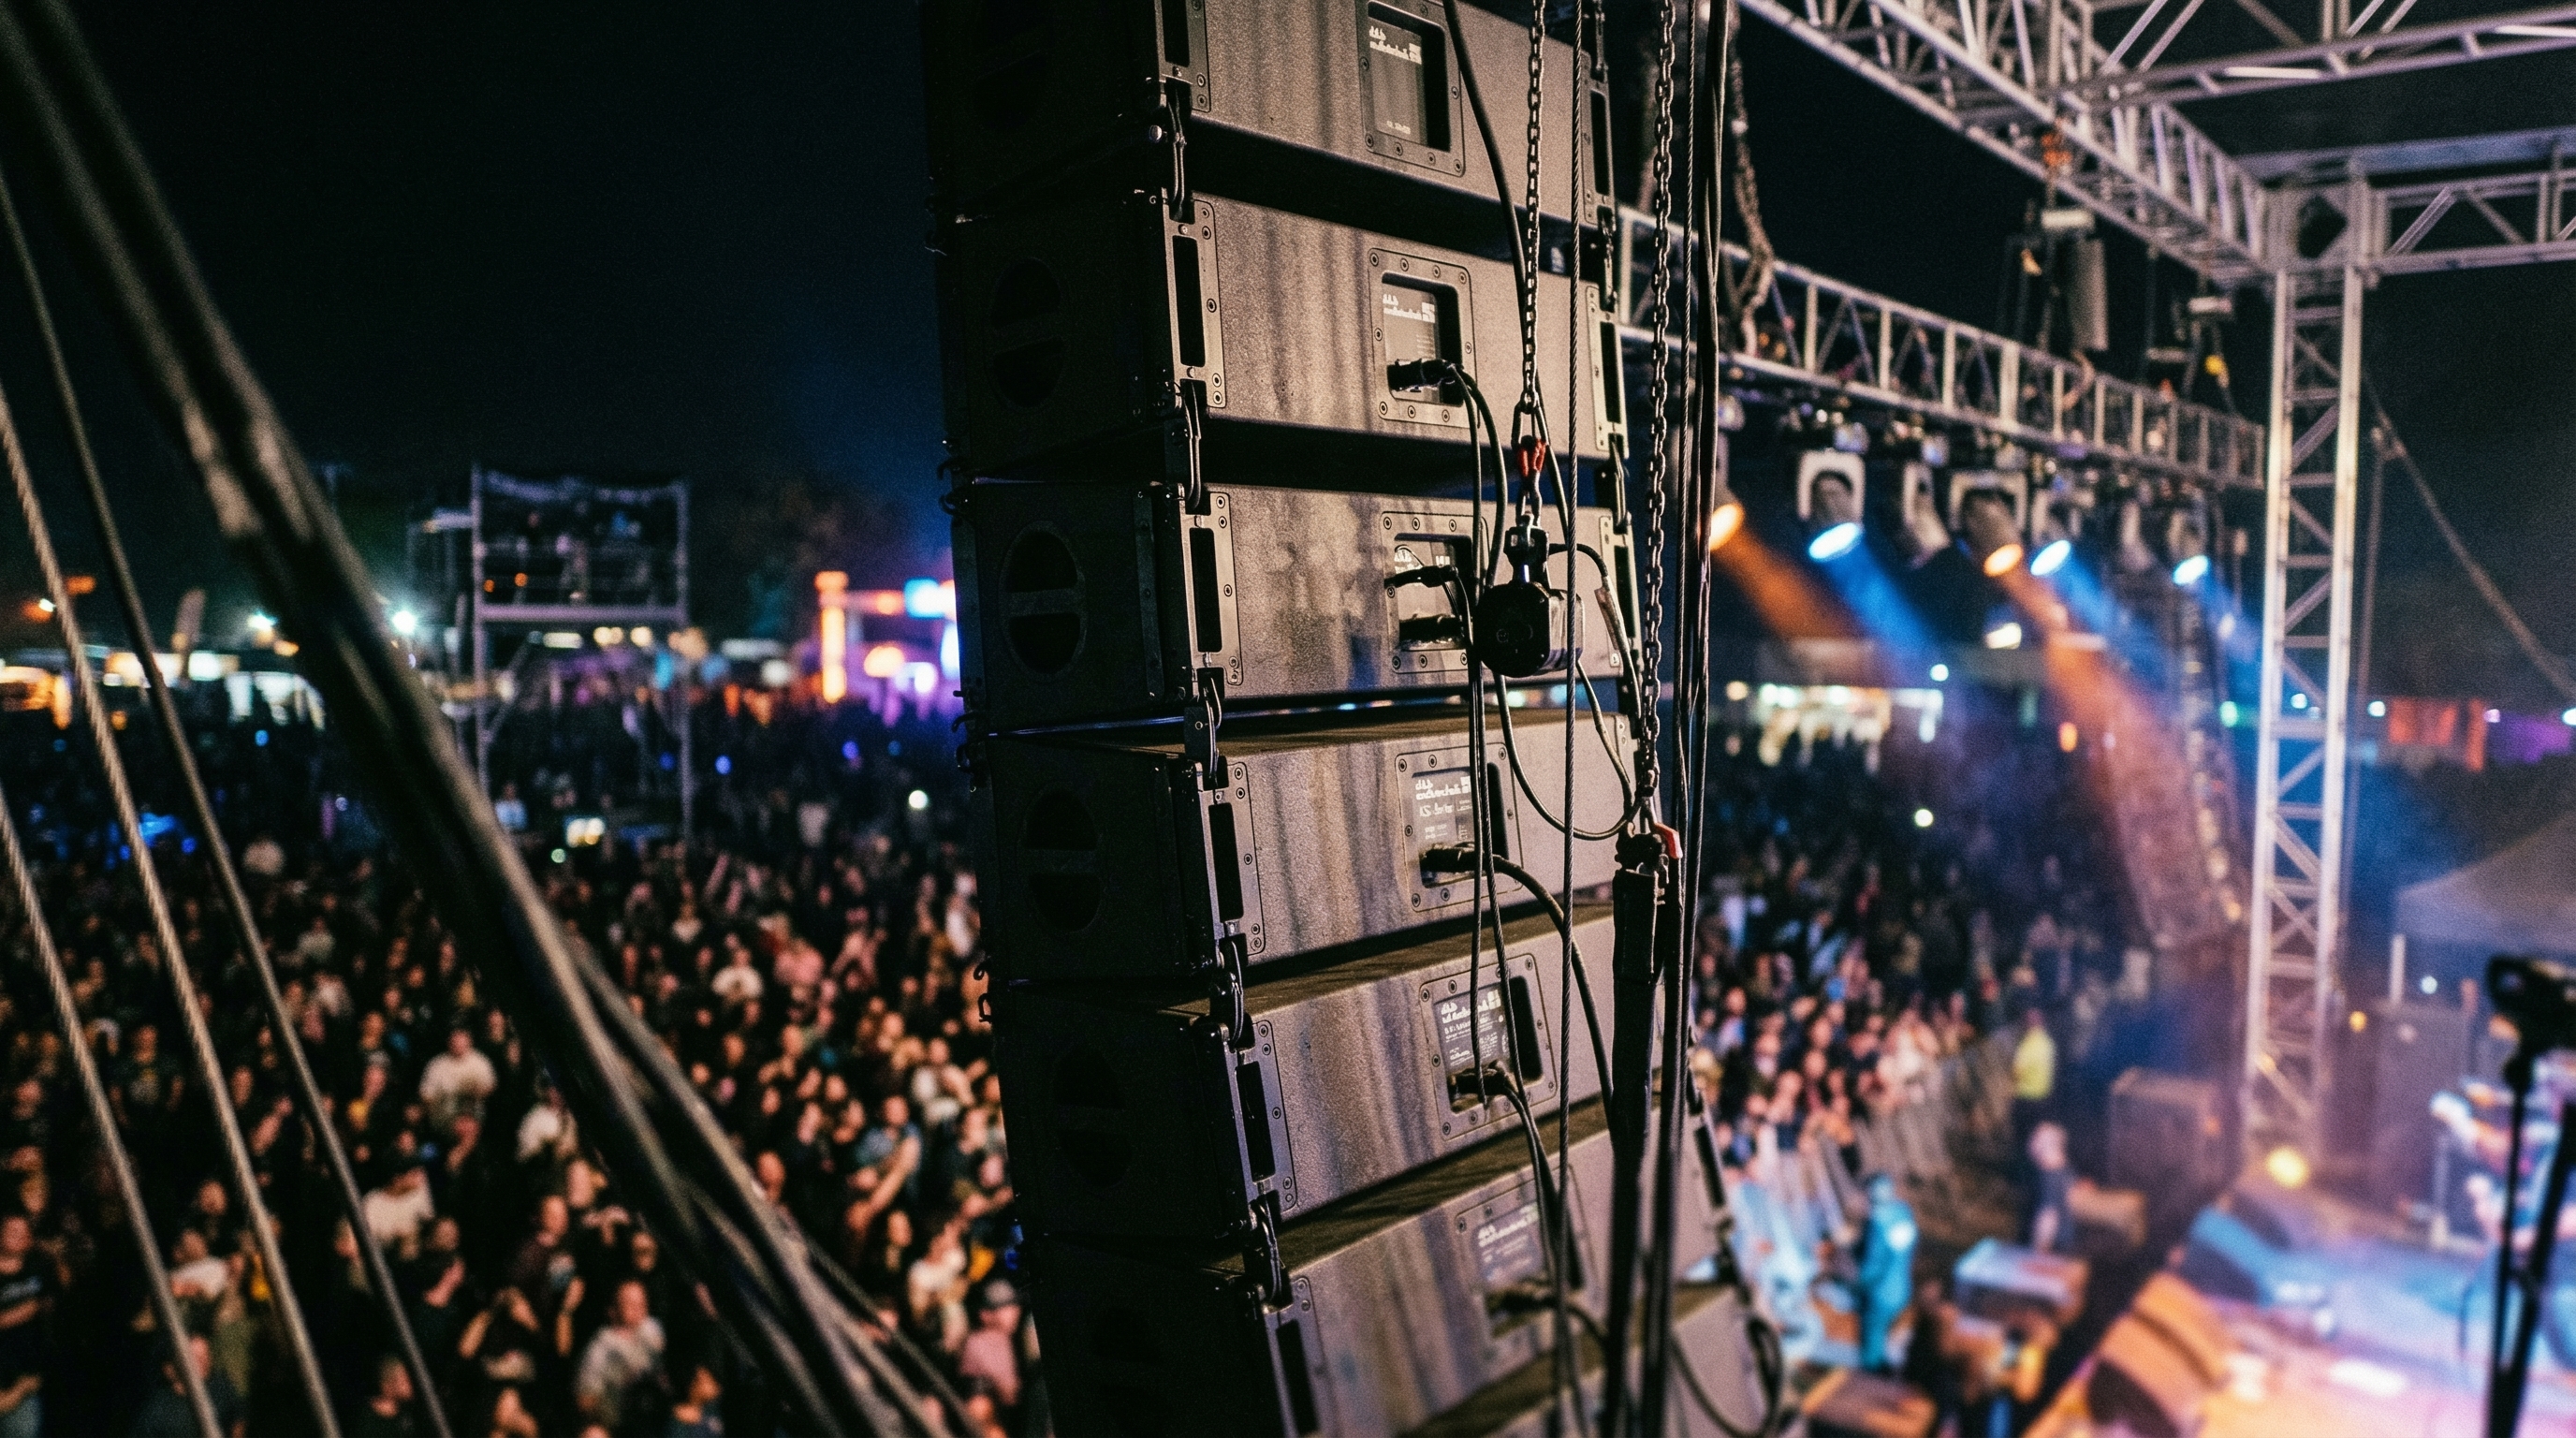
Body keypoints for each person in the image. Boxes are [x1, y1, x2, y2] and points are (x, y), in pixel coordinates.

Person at [576, 1279, 666, 1434]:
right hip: (619, 1423)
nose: (638, 1308)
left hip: (656, 1414)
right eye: (630, 1303)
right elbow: (585, 1400)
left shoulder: (652, 1329)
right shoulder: (601, 1348)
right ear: (613, 1310)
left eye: (642, 1302)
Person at [1855, 1172, 1918, 1372]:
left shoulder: (1876, 1223)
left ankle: (1873, 1379)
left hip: (1879, 1296)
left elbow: (1870, 1268)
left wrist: (1846, 1280)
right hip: (1901, 1289)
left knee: (1872, 1350)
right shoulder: (1903, 1212)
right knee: (1888, 1339)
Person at [0, 1215, 44, 1438]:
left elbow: (53, 1301)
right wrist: (25, 1311)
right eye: (12, 1231)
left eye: (23, 1232)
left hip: (26, 1375)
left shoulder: (37, 1265)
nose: (18, 1237)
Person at [2010, 1005, 2056, 1150]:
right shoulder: (2048, 1042)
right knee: (2037, 1137)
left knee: (2022, 1138)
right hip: (2044, 1097)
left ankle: (2022, 1167)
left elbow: (2016, 1072)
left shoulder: (2026, 1046)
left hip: (2026, 1099)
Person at [2027, 1122, 2074, 1255]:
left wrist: (2039, 1251)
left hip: (2053, 1246)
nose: (2030, 1144)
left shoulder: (2050, 1177)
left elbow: (2048, 1215)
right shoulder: (2065, 1171)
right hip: (2065, 1242)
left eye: (2035, 1139)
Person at [348, 1354, 419, 1438]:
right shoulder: (368, 1421)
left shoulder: (407, 1410)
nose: (410, 1385)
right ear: (387, 1387)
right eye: (404, 1381)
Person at [666, 1364, 724, 1438]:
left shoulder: (713, 1408)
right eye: (707, 1381)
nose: (714, 1384)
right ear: (692, 1387)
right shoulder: (680, 1420)